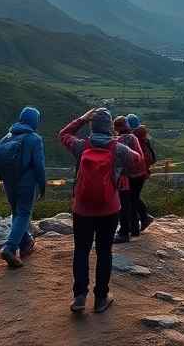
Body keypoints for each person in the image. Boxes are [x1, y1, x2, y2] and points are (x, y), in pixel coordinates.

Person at [60, 107, 144, 314]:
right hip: (109, 209)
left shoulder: (80, 146)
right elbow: (139, 161)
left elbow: (63, 135)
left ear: (92, 126)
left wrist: (81, 119)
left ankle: (80, 296)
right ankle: (100, 299)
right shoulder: (118, 149)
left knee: (81, 251)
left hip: (82, 208)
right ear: (109, 129)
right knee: (104, 252)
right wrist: (132, 137)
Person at [0, 107, 46, 268]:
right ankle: (9, 248)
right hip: (27, 183)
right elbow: (39, 164)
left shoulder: (7, 136)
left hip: (8, 182)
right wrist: (42, 186)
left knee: (17, 214)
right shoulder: (34, 138)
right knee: (23, 214)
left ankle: (26, 243)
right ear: (35, 121)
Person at [126, 114, 156, 236]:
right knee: (134, 197)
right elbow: (153, 158)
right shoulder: (145, 139)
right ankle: (141, 219)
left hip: (132, 174)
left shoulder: (130, 139)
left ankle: (139, 221)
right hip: (143, 173)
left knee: (130, 198)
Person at [112, 116, 141, 243]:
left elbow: (119, 158)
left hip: (124, 176)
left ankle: (124, 232)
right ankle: (134, 228)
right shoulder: (133, 137)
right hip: (138, 174)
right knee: (131, 203)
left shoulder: (121, 141)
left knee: (124, 204)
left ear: (116, 128)